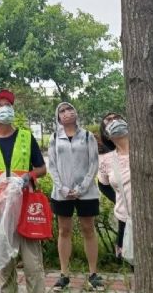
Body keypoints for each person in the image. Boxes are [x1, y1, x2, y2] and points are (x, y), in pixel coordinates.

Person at [0, 89, 47, 293]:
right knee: (5, 264)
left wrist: (29, 176)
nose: (5, 108)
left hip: (26, 207)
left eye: (8, 105)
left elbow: (42, 169)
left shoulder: (26, 137)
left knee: (33, 265)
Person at [97, 112, 153, 260]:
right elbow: (103, 185)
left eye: (118, 118)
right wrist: (121, 200)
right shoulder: (107, 161)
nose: (114, 121)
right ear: (105, 134)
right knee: (134, 265)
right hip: (127, 221)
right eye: (108, 120)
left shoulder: (149, 150)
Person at [48, 102, 104, 291]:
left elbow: (94, 163)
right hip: (62, 193)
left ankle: (93, 274)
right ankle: (64, 275)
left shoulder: (87, 136)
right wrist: (62, 187)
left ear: (76, 113)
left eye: (70, 109)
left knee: (88, 229)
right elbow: (52, 166)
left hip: (86, 193)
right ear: (58, 117)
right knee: (64, 230)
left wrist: (82, 188)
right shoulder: (55, 137)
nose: (67, 113)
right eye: (62, 111)